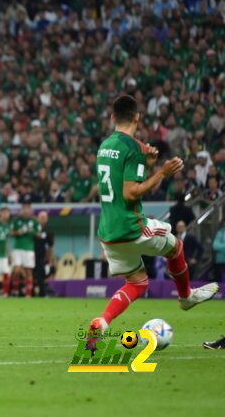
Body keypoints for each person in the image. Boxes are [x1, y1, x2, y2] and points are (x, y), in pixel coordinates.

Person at [85, 95, 219, 354]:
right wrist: (162, 172)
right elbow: (130, 193)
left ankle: (102, 322)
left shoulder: (105, 146)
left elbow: (120, 179)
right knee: (176, 246)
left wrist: (146, 165)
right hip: (132, 227)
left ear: (112, 117)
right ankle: (185, 297)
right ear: (137, 117)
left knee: (137, 282)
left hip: (108, 232)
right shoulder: (133, 147)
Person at [10, 196, 40, 297]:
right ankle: (15, 291)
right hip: (18, 248)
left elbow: (39, 234)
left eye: (28, 208)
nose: (26, 210)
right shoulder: (16, 220)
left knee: (28, 271)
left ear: (30, 209)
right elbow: (10, 233)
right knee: (17, 270)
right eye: (24, 208)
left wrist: (33, 232)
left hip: (29, 248)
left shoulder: (35, 221)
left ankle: (28, 294)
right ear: (22, 209)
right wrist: (17, 232)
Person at [34, 211, 55, 297]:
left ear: (47, 220)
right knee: (31, 275)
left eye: (44, 218)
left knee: (41, 276)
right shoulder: (33, 229)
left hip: (42, 257)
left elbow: (50, 247)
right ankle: (30, 293)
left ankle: (42, 294)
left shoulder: (48, 232)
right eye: (41, 218)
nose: (42, 220)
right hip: (31, 256)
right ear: (37, 219)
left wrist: (50, 260)